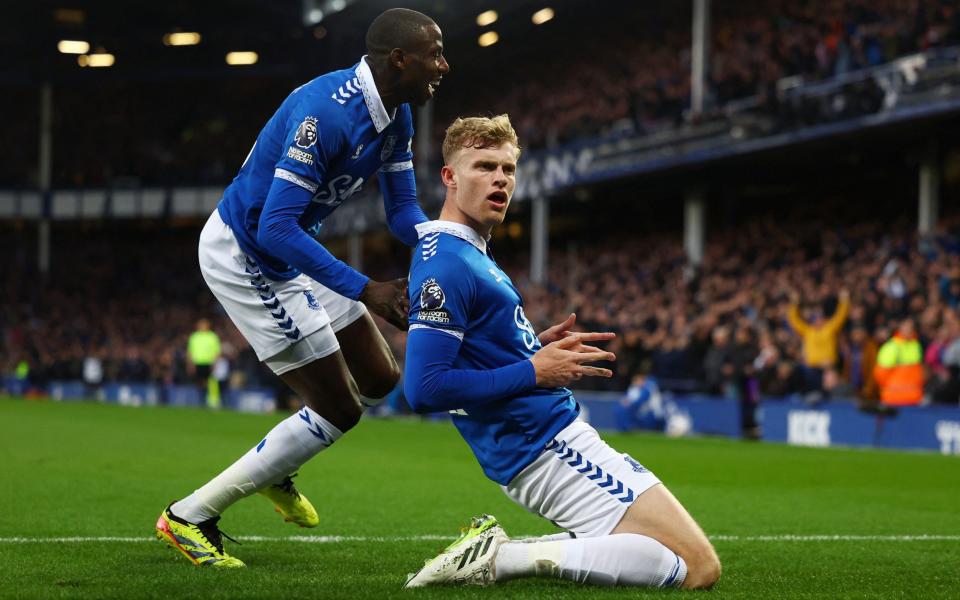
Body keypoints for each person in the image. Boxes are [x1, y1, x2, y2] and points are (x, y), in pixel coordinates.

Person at [155, 8, 450, 567]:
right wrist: (366, 289)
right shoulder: (325, 114)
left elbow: (403, 210)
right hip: (246, 254)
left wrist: (448, 244)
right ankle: (189, 516)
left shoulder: (398, 116)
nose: (444, 64)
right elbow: (273, 225)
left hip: (294, 246)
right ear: (399, 59)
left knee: (381, 377)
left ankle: (277, 467)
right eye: (434, 54)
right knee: (340, 407)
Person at [401, 115, 720, 590]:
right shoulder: (447, 263)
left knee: (668, 558)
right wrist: (532, 369)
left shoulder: (468, 251)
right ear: (449, 176)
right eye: (484, 166)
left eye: (508, 169)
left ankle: (501, 554)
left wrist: (530, 347)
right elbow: (423, 389)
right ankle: (500, 557)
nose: (500, 179)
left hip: (542, 440)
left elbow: (476, 351)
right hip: (547, 443)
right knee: (698, 568)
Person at [786, 289, 849, 392]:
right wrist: (794, 303)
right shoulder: (807, 331)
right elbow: (794, 320)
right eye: (815, 318)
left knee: (831, 384)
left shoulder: (830, 328)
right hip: (811, 369)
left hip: (828, 368)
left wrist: (844, 300)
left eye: (820, 317)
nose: (818, 320)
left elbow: (841, 316)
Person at [873, 318, 924, 406]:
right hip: (893, 399)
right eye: (906, 326)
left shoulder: (916, 346)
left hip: (914, 399)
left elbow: (919, 371)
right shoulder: (891, 347)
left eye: (911, 327)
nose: (909, 329)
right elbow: (880, 374)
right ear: (900, 327)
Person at [186, 319, 221, 408]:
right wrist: (190, 363)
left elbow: (217, 351)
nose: (202, 326)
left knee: (210, 382)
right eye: (200, 324)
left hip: (209, 363)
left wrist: (215, 363)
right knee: (199, 382)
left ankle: (212, 401)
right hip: (197, 362)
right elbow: (190, 351)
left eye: (204, 324)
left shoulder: (212, 337)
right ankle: (199, 400)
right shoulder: (194, 337)